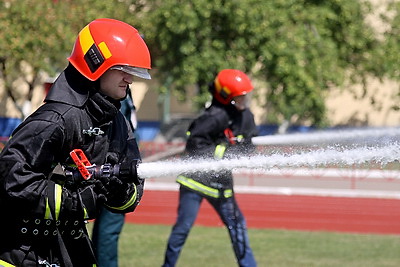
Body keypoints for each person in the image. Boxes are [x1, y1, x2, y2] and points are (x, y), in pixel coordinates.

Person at [0, 18, 151, 267]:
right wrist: (75, 201)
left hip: (73, 248)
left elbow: (133, 193)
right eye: (122, 68)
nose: (130, 79)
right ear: (96, 64)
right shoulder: (56, 119)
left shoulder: (117, 123)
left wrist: (117, 190)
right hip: (23, 251)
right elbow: (11, 180)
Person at [162, 69, 258, 267]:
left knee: (237, 226)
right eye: (239, 98)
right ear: (226, 97)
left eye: (245, 97)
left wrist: (243, 149)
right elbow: (194, 145)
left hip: (221, 182)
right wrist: (225, 152)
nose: (244, 102)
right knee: (183, 228)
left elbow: (249, 143)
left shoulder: (246, 117)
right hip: (194, 182)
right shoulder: (214, 117)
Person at [91, 89, 139, 267]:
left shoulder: (120, 91)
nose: (129, 78)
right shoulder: (114, 96)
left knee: (103, 231)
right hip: (113, 173)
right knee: (108, 231)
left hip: (117, 167)